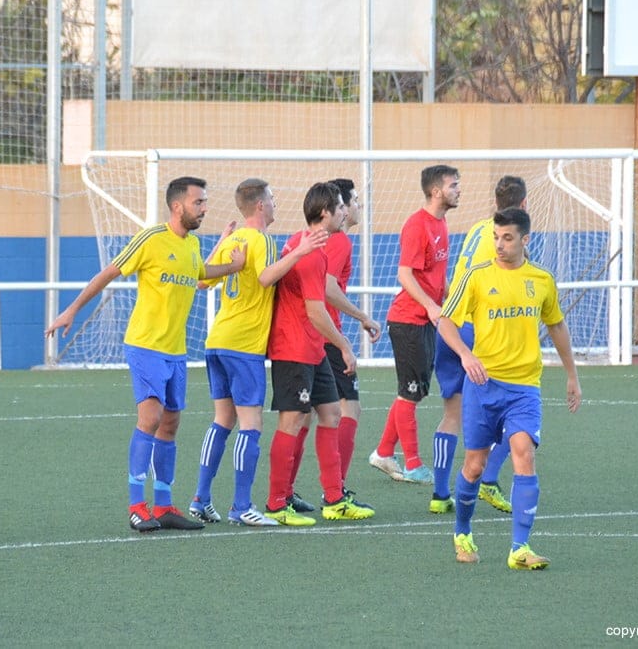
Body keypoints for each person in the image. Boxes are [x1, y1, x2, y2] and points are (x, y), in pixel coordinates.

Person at [45, 176, 246, 533]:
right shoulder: (151, 238)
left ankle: (165, 505)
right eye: (198, 202)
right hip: (145, 345)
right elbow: (108, 272)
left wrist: (232, 265)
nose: (204, 208)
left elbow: (200, 275)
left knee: (170, 424)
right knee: (150, 418)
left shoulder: (193, 245)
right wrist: (71, 310)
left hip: (176, 351)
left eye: (204, 202)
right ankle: (137, 505)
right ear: (177, 206)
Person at [439, 206, 581, 570]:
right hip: (482, 386)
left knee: (524, 452)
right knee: (474, 465)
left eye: (507, 237)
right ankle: (462, 531)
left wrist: (571, 375)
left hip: (524, 388)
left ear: (524, 239)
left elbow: (557, 326)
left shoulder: (542, 280)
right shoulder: (475, 276)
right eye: (496, 237)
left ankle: (520, 548)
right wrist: (466, 355)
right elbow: (444, 322)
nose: (499, 244)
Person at [189, 178, 328, 527]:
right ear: (261, 205)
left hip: (217, 340)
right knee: (251, 424)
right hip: (244, 344)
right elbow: (266, 278)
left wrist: (221, 241)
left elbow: (202, 279)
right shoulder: (261, 239)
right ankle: (241, 506)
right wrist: (300, 250)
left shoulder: (235, 239)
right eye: (273, 198)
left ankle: (200, 499)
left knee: (222, 420)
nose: (276, 204)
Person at [264, 181, 375, 526]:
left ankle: (334, 498)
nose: (346, 212)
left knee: (330, 413)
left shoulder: (309, 244)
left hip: (312, 348)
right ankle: (276, 503)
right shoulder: (310, 252)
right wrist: (344, 345)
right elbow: (316, 309)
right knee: (292, 420)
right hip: (294, 348)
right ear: (325, 213)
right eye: (341, 207)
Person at [429, 175, 528, 514]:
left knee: (451, 416)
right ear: (524, 205)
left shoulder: (477, 229)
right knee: (514, 413)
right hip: (477, 333)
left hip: (449, 326)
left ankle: (440, 495)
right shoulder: (509, 240)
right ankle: (487, 480)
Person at [369, 165, 460, 484]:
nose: (458, 189)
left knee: (414, 392)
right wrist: (431, 305)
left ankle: (383, 452)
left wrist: (453, 300)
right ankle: (412, 463)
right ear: (436, 191)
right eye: (453, 185)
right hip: (407, 320)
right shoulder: (417, 225)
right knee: (409, 394)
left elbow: (437, 273)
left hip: (425, 321)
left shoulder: (442, 223)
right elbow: (404, 274)